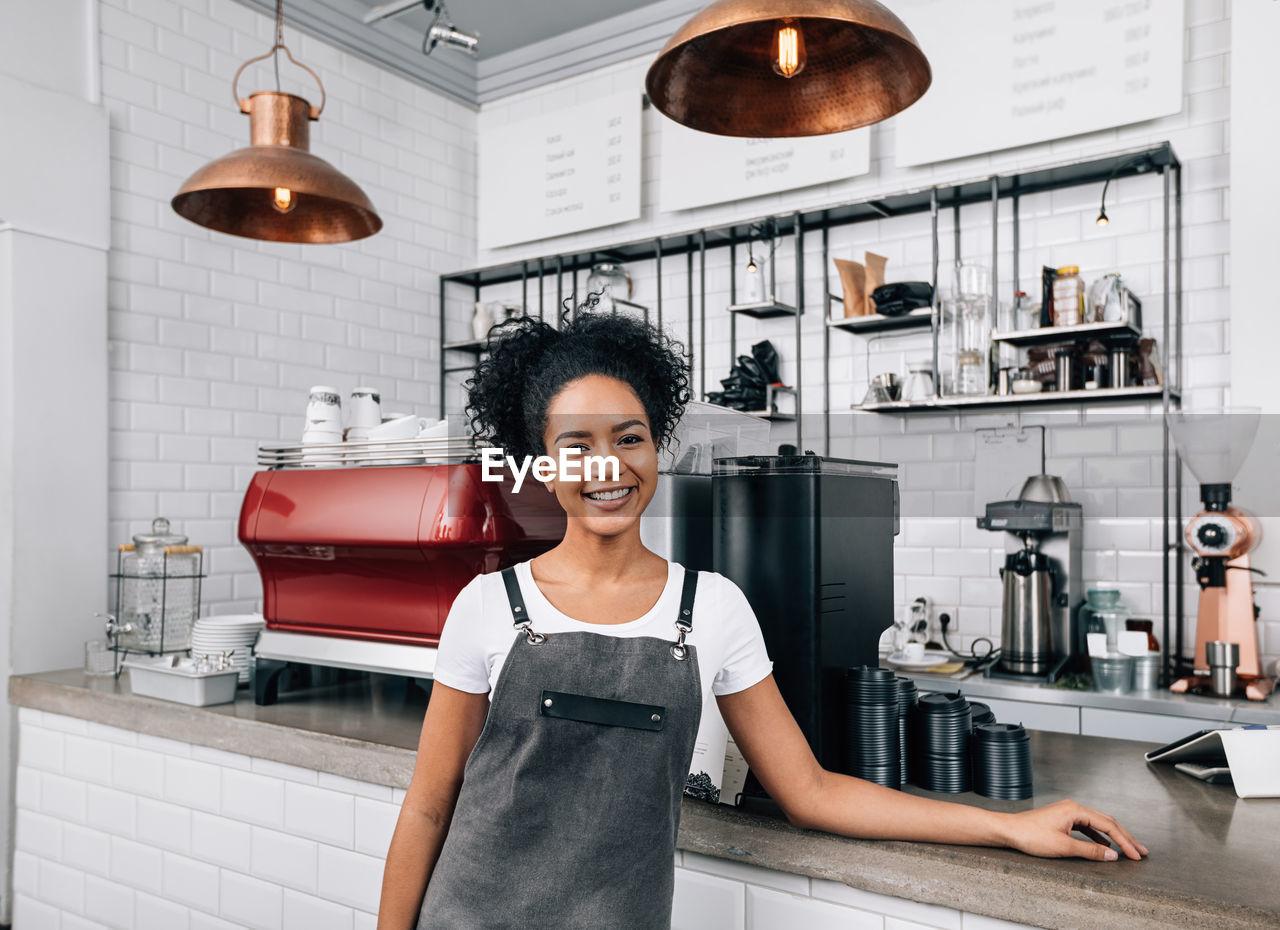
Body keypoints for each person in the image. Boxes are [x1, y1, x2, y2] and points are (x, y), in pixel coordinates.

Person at [377, 305, 1146, 930]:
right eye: (576, 445)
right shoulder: (488, 607)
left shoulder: (709, 610)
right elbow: (429, 806)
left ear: (657, 450)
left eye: (630, 438)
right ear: (543, 465)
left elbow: (810, 792)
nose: (607, 466)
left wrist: (1009, 824)